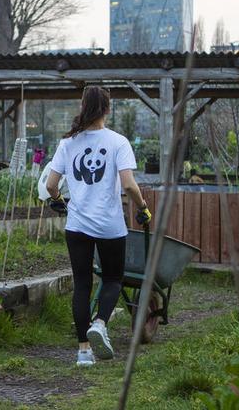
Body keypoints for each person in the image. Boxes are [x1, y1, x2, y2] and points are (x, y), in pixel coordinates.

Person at [45, 86, 150, 367]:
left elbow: (51, 185)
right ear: (107, 109)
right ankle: (100, 323)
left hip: (77, 225)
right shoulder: (118, 142)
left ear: (82, 107)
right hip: (110, 226)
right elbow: (128, 185)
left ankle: (82, 352)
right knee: (113, 279)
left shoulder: (67, 143)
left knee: (82, 284)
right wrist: (143, 208)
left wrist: (60, 202)